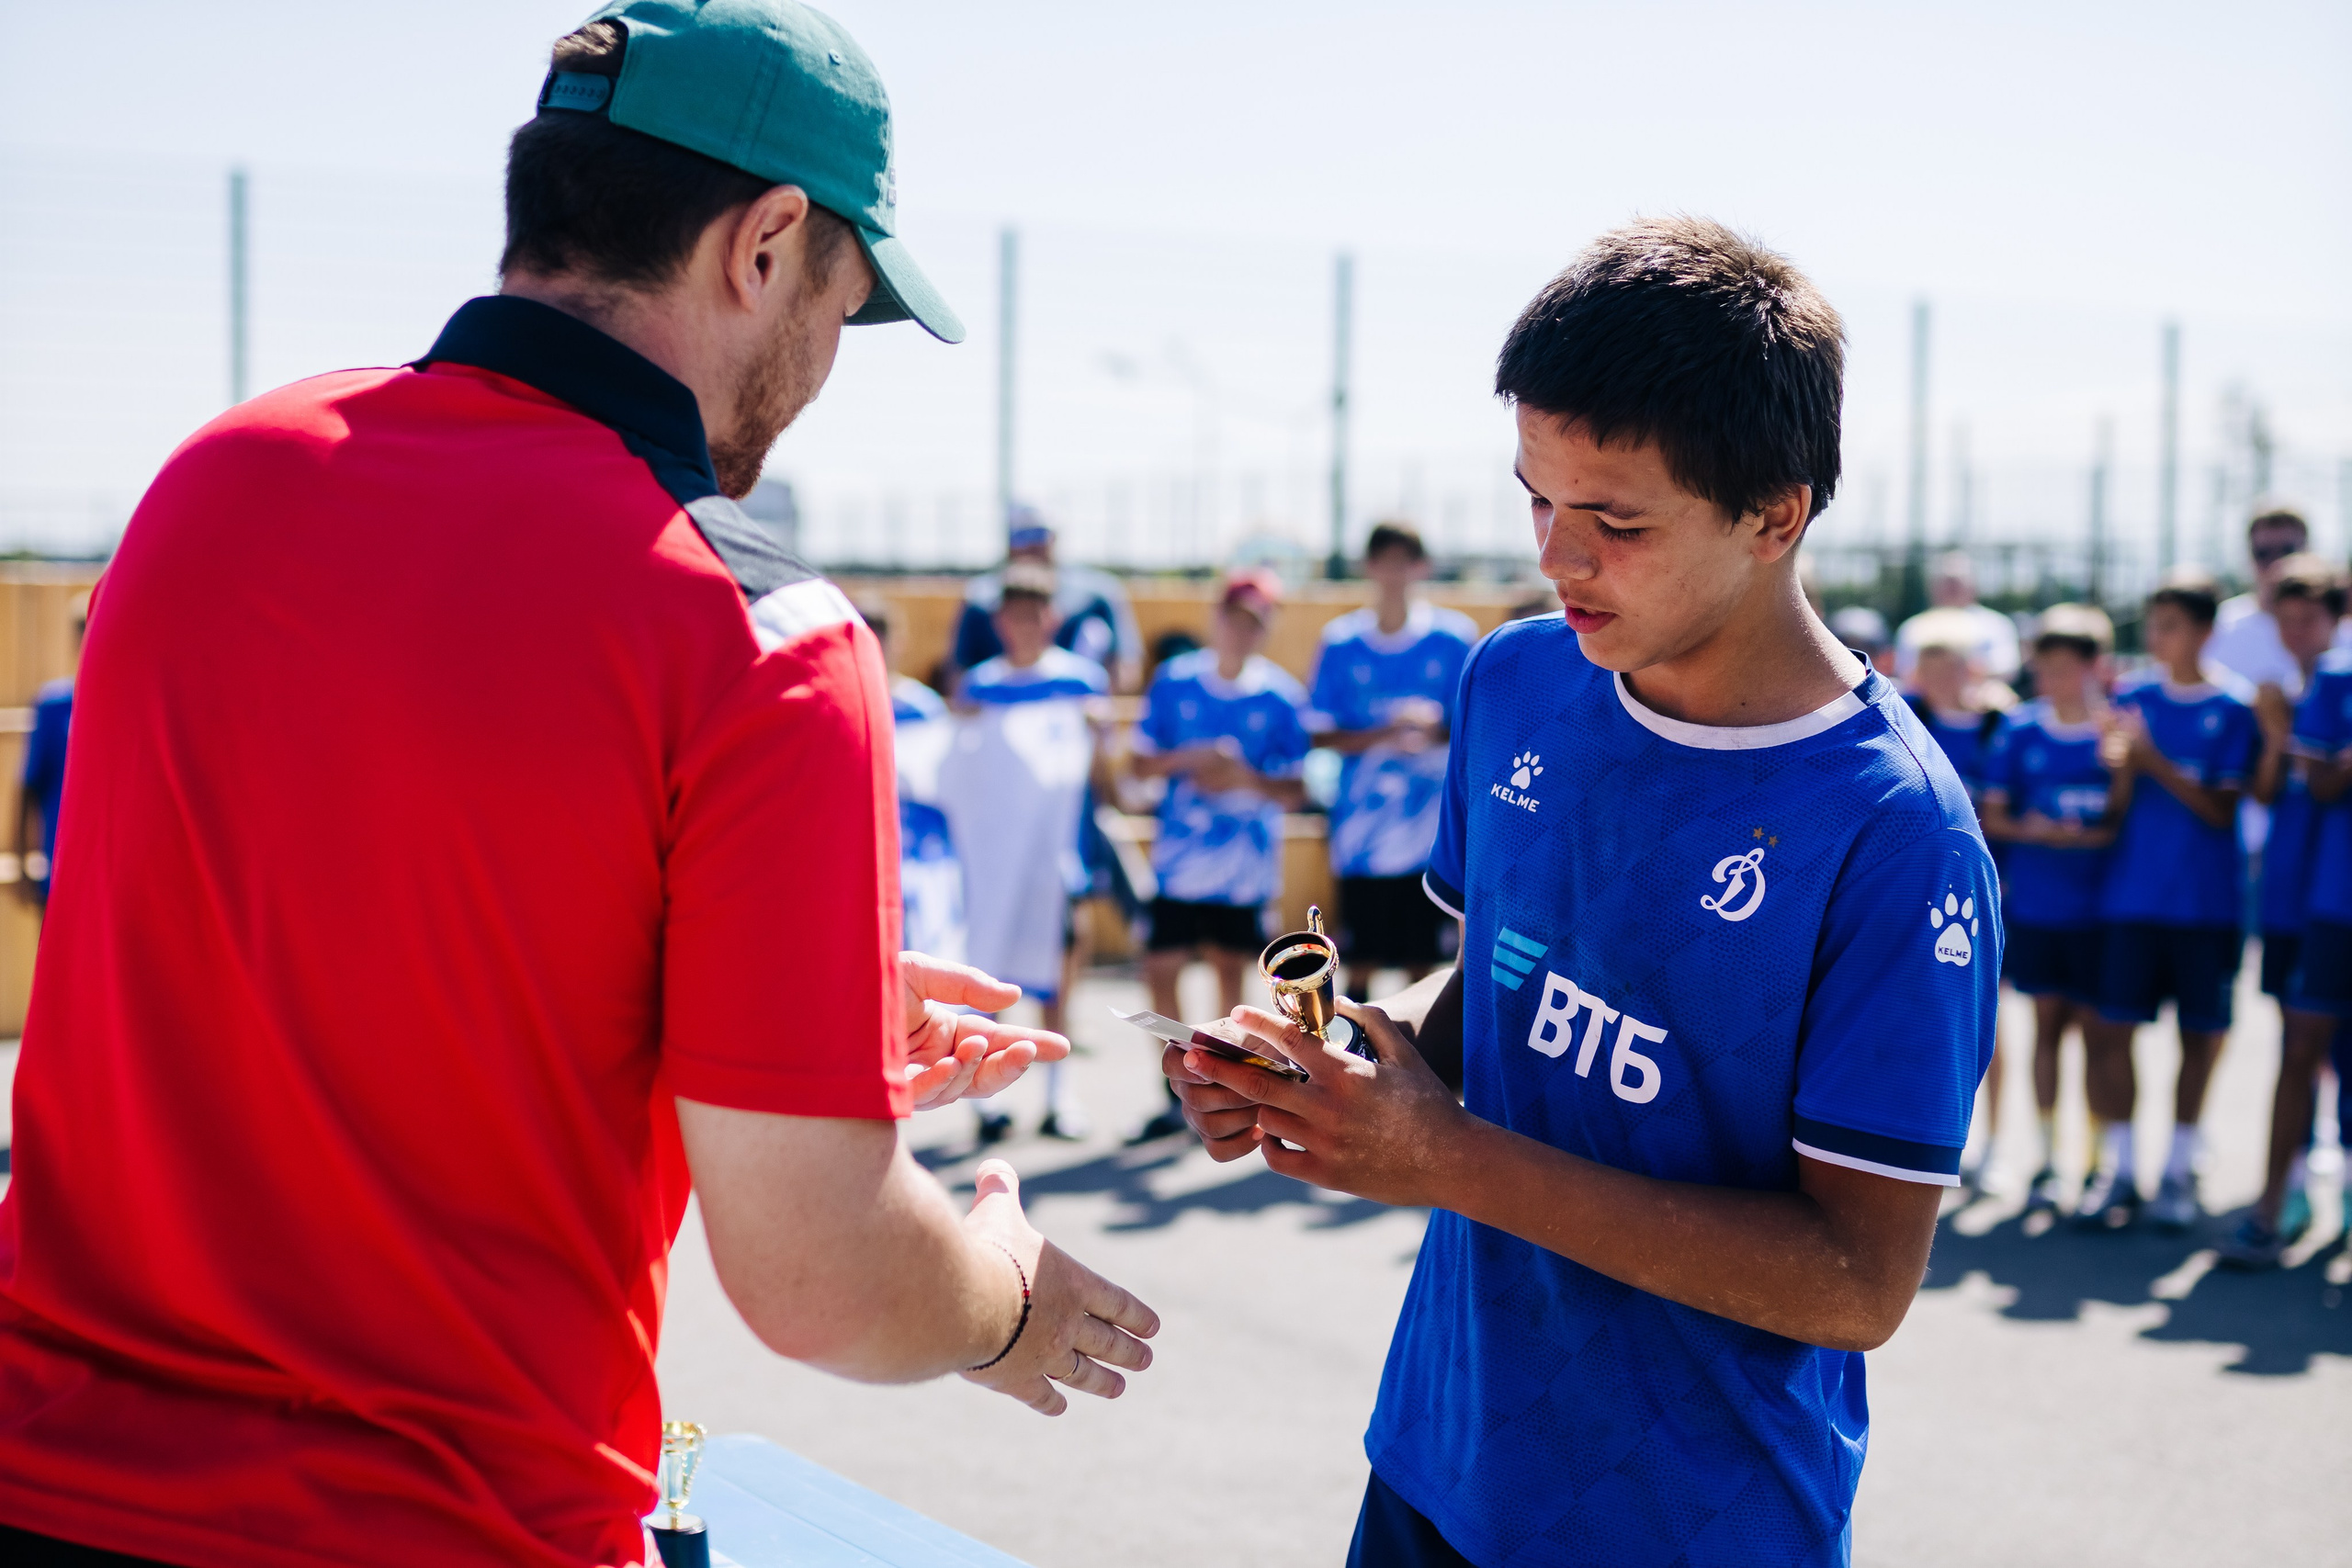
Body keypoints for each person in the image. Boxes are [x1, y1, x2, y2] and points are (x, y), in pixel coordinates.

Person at [0, 10, 1162, 1566]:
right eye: (843, 301)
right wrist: (1000, 1292)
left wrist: (750, 999)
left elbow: (321, 914)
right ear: (764, 246)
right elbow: (823, 1280)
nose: (827, 363)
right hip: (449, 1522)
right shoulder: (759, 626)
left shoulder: (216, 478)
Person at [1163, 219, 1997, 1568]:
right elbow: (1497, 969)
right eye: (1536, 497)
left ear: (1775, 513)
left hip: (1687, 1520)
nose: (1559, 556)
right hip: (1437, 1453)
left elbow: (1855, 1279)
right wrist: (1326, 1067)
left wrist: (1446, 1157)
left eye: (1617, 520)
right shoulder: (1516, 680)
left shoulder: (1897, 835)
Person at [2075, 570, 2260, 1232]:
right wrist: (2122, 769)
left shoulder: (2235, 709)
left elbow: (2219, 809)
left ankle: (2179, 1168)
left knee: (2199, 1039)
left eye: (2171, 625)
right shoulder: (2133, 698)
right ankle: (2120, 1168)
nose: (2158, 638)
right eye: (2153, 625)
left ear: (2205, 631)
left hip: (2207, 905)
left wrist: (2151, 760)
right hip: (2130, 898)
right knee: (2113, 1030)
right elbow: (2116, 809)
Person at [1128, 569, 1313, 1143]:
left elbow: (1299, 788)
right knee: (1160, 969)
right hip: (1179, 862)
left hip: (1243, 870)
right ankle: (1173, 1083)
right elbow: (1138, 765)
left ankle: (1222, 1085)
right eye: (1235, 616)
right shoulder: (1175, 683)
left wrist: (1243, 778)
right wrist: (1191, 758)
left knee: (1228, 974)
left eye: (1256, 621)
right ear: (1217, 616)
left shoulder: (1281, 695)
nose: (1242, 630)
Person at [941, 563, 1110, 1143]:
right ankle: (987, 1097)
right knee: (991, 972)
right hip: (992, 861)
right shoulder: (977, 686)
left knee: (1057, 972)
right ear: (999, 622)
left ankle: (1061, 1096)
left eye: (1035, 613)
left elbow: (1102, 767)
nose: (1025, 624)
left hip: (1062, 848)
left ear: (1052, 617)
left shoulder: (1080, 681)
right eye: (1014, 615)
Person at [2222, 558, 2349, 1266]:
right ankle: (2281, 1199)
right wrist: (2278, 738)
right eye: (2288, 616)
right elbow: (2282, 791)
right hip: (2298, 900)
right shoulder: (2285, 693)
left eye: (2312, 616)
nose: (2298, 629)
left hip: (2327, 898)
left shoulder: (2332, 680)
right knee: (2300, 1046)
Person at [1978, 605, 2117, 1215]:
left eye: (2066, 667)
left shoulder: (2118, 736)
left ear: (2095, 667)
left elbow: (2123, 820)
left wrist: (2093, 833)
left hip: (2100, 912)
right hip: (2034, 907)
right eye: (2045, 667)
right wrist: (2038, 830)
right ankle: (2042, 1157)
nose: (2053, 678)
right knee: (2045, 1032)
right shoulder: (2019, 730)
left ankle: (2092, 1162)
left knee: (2098, 1037)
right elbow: (1994, 815)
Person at [1309, 523, 1476, 998]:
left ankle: (1415, 1068)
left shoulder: (1452, 638)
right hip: (1361, 835)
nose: (1395, 572)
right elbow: (1319, 733)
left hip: (1430, 835)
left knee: (1423, 964)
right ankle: (1352, 1061)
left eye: (1406, 560)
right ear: (1369, 566)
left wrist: (1432, 730)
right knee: (1356, 964)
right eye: (1384, 559)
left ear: (1421, 567)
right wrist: (1385, 733)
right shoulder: (1340, 642)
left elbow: (1473, 727)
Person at [860, 600, 966, 967]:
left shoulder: (925, 707)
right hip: (862, 846)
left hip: (920, 852)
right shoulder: (844, 699)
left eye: (882, 637)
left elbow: (943, 783)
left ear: (897, 642)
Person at [951, 505, 1144, 692]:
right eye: (1022, 536)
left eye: (1040, 534)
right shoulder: (979, 598)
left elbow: (1125, 668)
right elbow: (958, 674)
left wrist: (1090, 702)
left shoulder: (1097, 596)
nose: (1032, 544)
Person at [13, 593, 85, 913]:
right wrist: (21, 864)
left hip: (103, 877)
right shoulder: (55, 707)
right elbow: (27, 787)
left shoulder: (126, 707)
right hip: (58, 874)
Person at [2205, 505, 2314, 694]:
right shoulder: (2216, 628)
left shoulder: (2338, 630)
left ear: (2307, 550)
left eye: (2287, 551)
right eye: (2263, 553)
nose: (2275, 563)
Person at [1895, 549, 2021, 683]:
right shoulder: (1912, 627)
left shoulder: (1997, 624)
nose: (1951, 588)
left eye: (1957, 582)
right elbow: (1905, 672)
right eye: (1946, 582)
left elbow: (2007, 669)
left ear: (1973, 584)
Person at [1828, 603, 1895, 677]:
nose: (1853, 660)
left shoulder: (1895, 688)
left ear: (1888, 659)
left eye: (1864, 650)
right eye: (1842, 650)